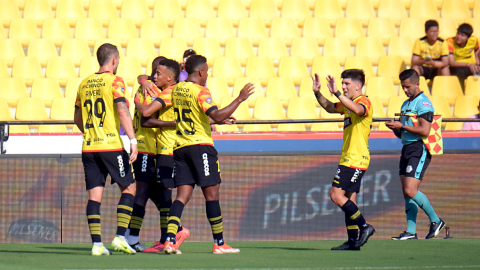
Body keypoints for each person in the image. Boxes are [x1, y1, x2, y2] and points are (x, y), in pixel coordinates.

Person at [163, 55, 254, 255]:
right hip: (200, 147)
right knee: (212, 195)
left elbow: (198, 115)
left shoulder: (177, 89)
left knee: (180, 197)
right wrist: (239, 98)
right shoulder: (201, 91)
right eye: (207, 71)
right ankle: (219, 243)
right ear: (201, 72)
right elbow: (216, 115)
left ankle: (169, 241)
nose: (207, 75)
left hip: (180, 147)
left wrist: (220, 120)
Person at [73, 43, 138, 256]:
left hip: (89, 147)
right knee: (129, 188)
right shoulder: (115, 81)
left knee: (94, 197)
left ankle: (97, 244)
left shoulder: (84, 83)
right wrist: (133, 140)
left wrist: (91, 132)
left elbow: (77, 117)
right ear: (114, 60)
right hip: (110, 146)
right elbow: (122, 110)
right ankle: (120, 237)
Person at [132, 59, 191, 253]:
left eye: (158, 73)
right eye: (154, 73)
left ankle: (167, 238)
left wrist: (139, 104)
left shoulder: (168, 92)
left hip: (168, 148)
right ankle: (171, 234)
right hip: (158, 148)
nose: (154, 76)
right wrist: (143, 80)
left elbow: (147, 118)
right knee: (157, 193)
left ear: (169, 77)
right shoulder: (153, 87)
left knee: (162, 194)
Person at [312, 69, 375, 251]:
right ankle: (353, 241)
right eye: (342, 84)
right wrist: (318, 93)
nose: (343, 87)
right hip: (350, 158)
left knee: (335, 195)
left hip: (355, 159)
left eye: (347, 84)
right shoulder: (348, 104)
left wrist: (338, 94)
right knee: (349, 200)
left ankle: (365, 226)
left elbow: (358, 110)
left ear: (358, 86)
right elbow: (330, 107)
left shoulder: (364, 102)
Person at [386, 69, 445, 240]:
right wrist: (396, 129)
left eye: (407, 87)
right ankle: (411, 231)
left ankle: (436, 220)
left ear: (417, 84)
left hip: (419, 149)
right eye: (403, 87)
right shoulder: (405, 104)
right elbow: (405, 132)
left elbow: (425, 130)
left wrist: (402, 127)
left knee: (411, 190)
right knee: (407, 192)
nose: (405, 90)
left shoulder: (424, 103)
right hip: (406, 148)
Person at [447, 23, 480, 90]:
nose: (459, 37)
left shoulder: (474, 40)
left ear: (468, 38)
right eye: (458, 34)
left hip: (471, 65)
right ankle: (460, 92)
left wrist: (477, 62)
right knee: (460, 72)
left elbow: (477, 49)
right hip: (457, 66)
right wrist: (468, 65)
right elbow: (452, 62)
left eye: (462, 35)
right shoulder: (449, 41)